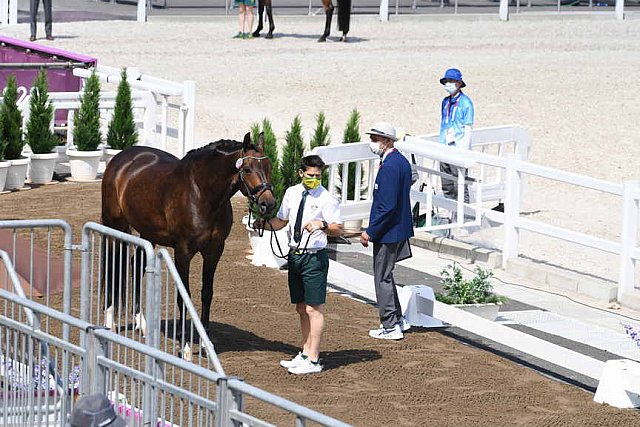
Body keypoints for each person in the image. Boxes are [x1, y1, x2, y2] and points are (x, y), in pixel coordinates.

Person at [254, 155, 343, 375]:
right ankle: (304, 352)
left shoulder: (327, 198)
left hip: (314, 257)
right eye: (311, 175)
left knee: (314, 308)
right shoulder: (292, 193)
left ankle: (314, 359)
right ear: (301, 173)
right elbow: (282, 221)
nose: (314, 179)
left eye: (318, 176)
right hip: (295, 255)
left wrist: (322, 225)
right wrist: (262, 223)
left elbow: (337, 228)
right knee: (301, 308)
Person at [360, 122, 414, 341]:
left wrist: (371, 231)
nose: (372, 143)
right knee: (386, 275)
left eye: (375, 139)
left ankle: (390, 324)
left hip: (388, 231)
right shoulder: (400, 161)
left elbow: (387, 205)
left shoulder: (391, 165)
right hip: (397, 228)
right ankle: (397, 320)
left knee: (381, 277)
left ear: (388, 141)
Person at [439, 68, 474, 205]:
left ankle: (464, 214)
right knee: (446, 184)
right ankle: (450, 212)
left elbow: (468, 128)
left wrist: (464, 150)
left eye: (452, 81)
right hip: (444, 146)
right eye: (447, 81)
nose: (449, 84)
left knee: (459, 183)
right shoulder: (445, 102)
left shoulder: (466, 103)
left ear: (459, 83)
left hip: (458, 148)